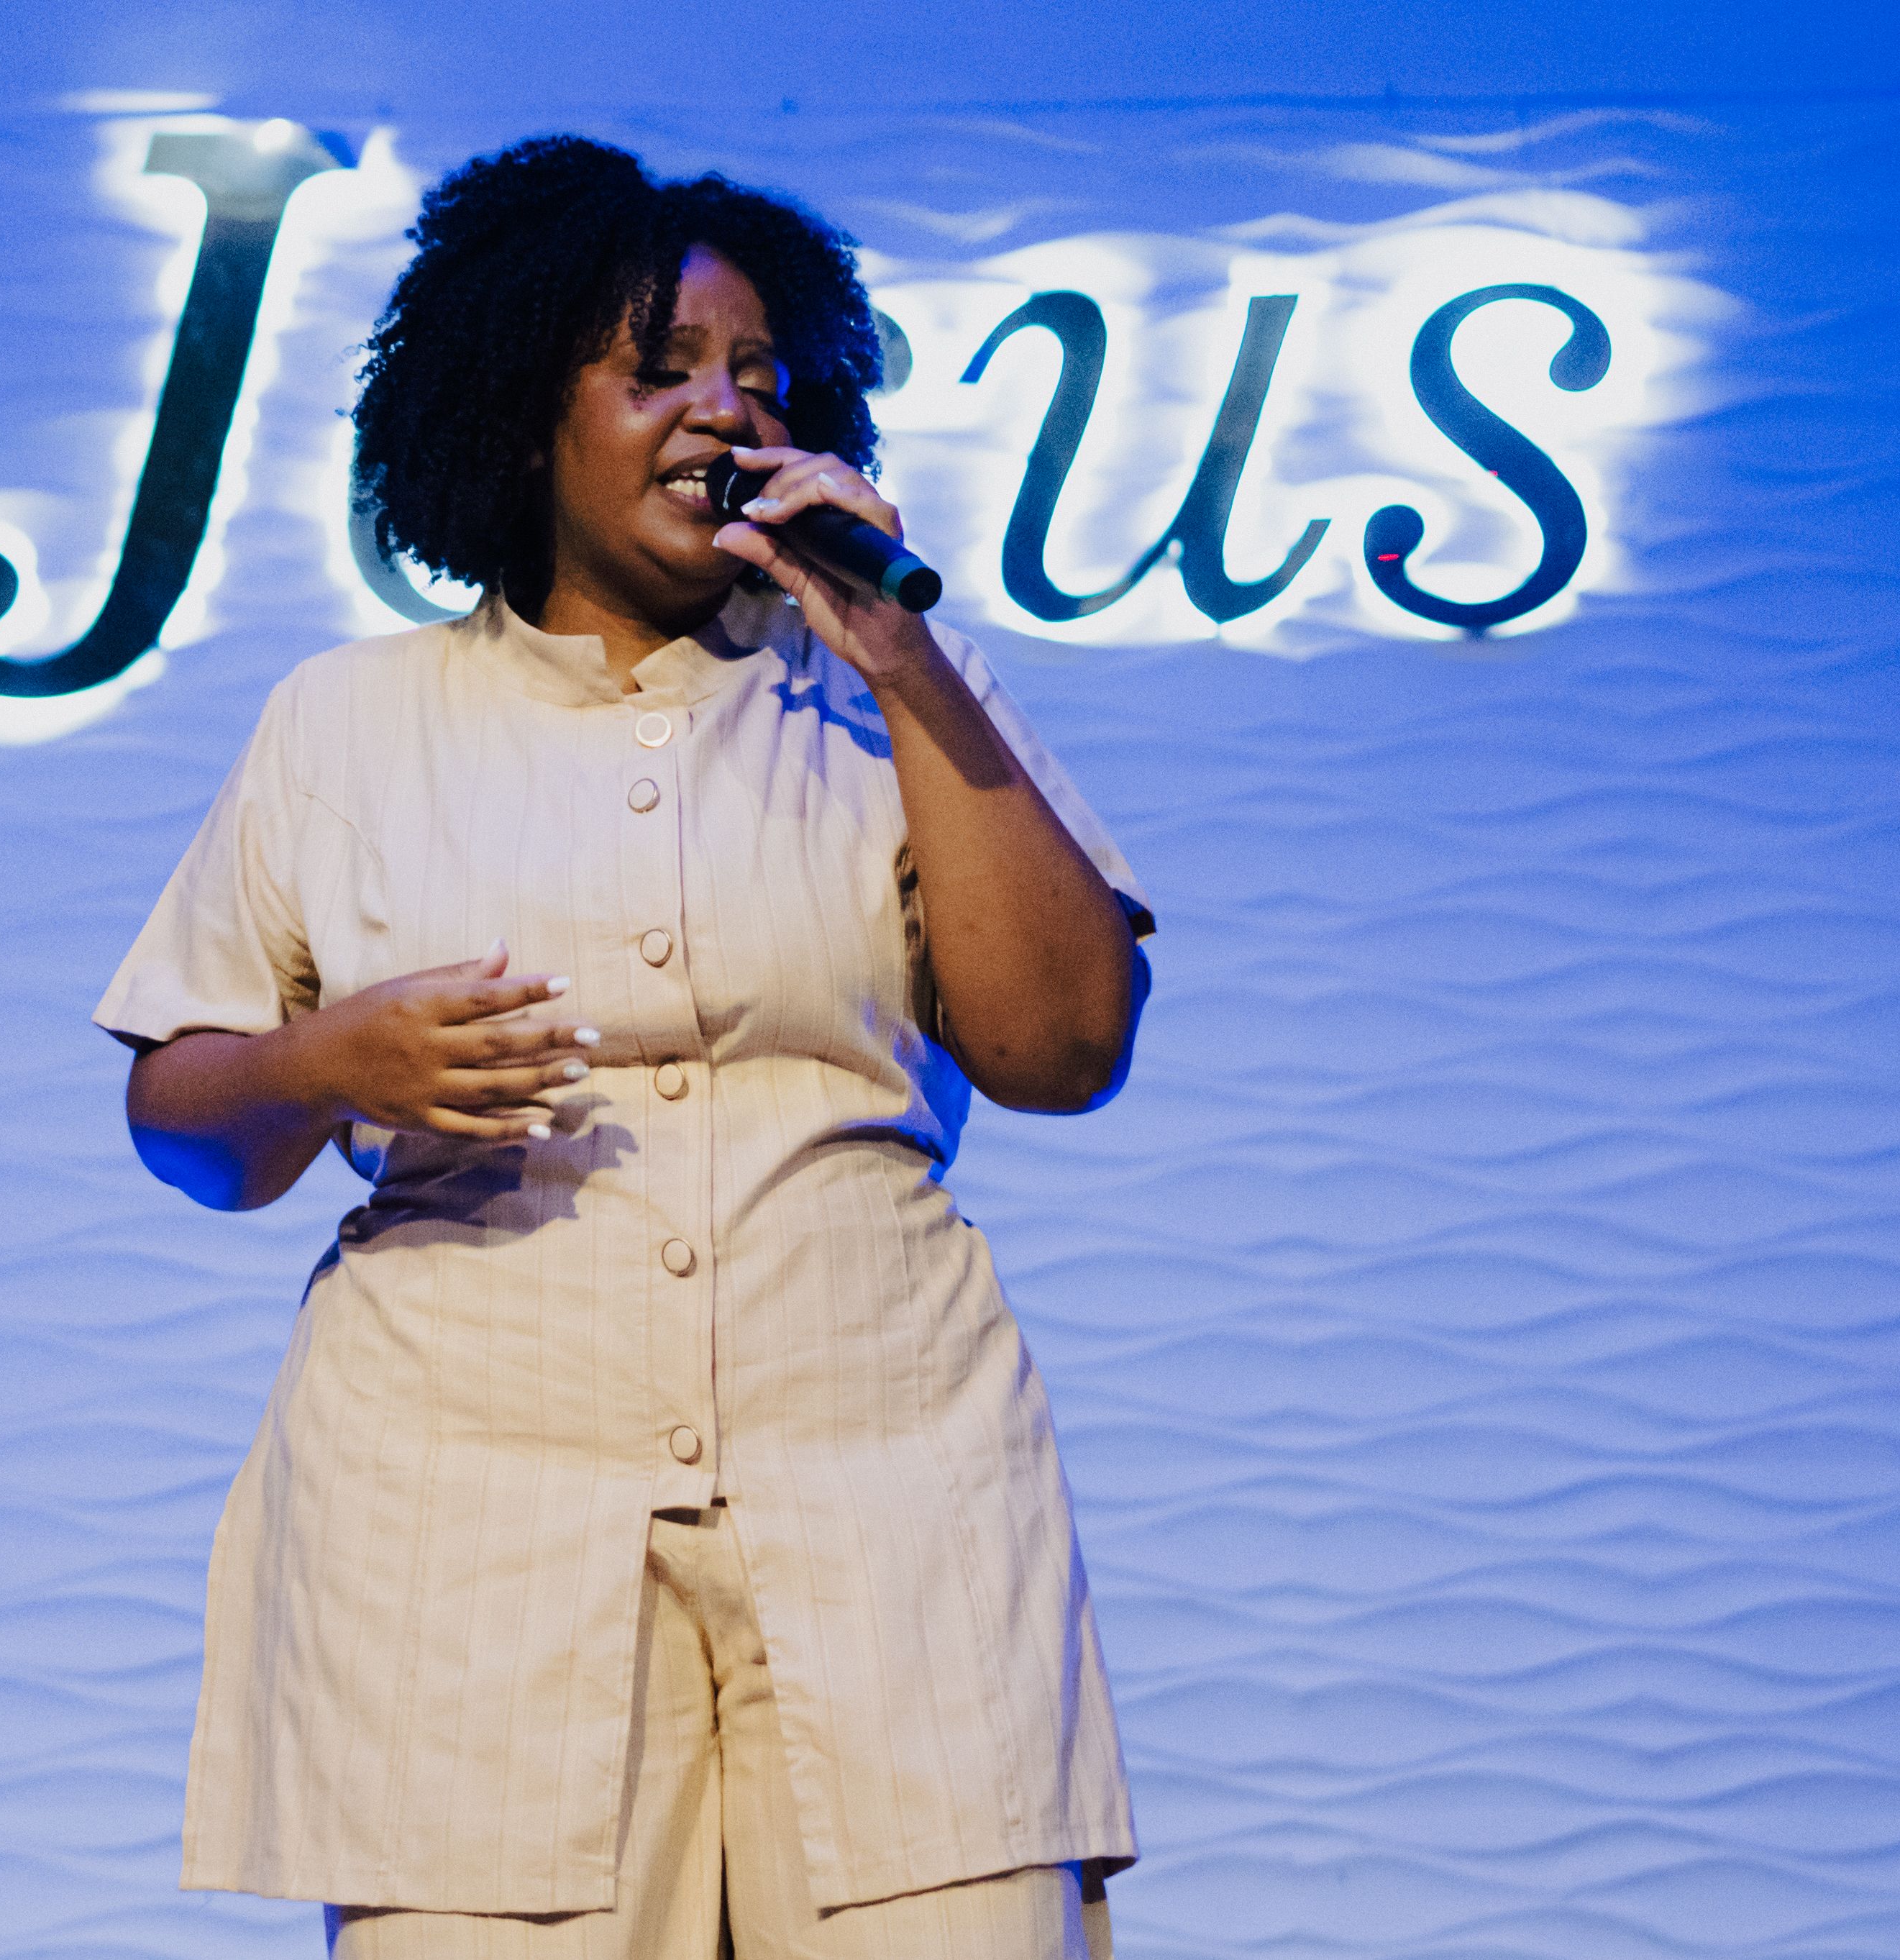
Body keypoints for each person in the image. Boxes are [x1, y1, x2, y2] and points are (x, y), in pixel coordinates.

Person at [93, 135, 1155, 1960]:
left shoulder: (889, 688)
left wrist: (903, 656)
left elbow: (1063, 1046)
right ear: (521, 414)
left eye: (759, 377)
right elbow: (184, 1127)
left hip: (892, 1506)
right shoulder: (346, 722)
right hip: (470, 1534)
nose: (723, 412)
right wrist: (326, 1064)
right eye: (659, 368)